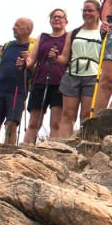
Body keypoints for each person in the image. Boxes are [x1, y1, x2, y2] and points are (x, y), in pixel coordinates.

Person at [52, 0, 104, 138]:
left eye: (90, 10)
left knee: (87, 114)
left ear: (98, 12)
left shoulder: (103, 33)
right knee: (68, 113)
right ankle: (63, 146)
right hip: (72, 74)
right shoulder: (74, 33)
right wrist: (55, 58)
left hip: (93, 75)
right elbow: (64, 57)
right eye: (84, 10)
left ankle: (83, 143)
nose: (87, 13)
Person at [0, 17, 35, 144]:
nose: (13, 28)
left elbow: (36, 71)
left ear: (27, 29)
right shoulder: (8, 46)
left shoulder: (33, 48)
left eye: (18, 25)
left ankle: (8, 154)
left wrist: (29, 60)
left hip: (18, 90)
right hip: (0, 90)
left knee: (11, 124)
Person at [23, 9, 68, 143]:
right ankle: (26, 148)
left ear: (66, 21)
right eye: (54, 17)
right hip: (40, 81)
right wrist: (23, 64)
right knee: (33, 122)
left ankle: (53, 151)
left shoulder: (68, 38)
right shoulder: (42, 37)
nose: (57, 19)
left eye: (60, 17)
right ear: (50, 21)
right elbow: (32, 59)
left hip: (60, 83)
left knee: (56, 123)